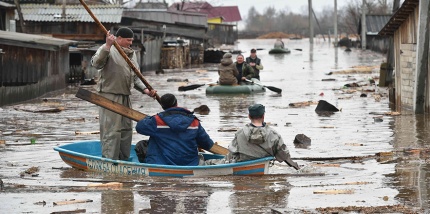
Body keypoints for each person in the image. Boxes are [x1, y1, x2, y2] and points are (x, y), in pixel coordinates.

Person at [91, 27, 157, 160]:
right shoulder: (108, 49)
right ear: (119, 38)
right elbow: (96, 63)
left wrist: (145, 90)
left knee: (126, 130)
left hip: (125, 95)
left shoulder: (132, 54)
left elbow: (136, 77)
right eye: (128, 40)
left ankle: (123, 160)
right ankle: (109, 159)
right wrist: (108, 45)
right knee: (112, 131)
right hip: (109, 95)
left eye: (131, 40)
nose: (130, 43)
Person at [207, 104, 299, 169]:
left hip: (242, 166)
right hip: (263, 165)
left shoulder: (240, 134)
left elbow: (232, 154)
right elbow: (284, 156)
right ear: (263, 116)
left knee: (209, 163)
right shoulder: (274, 135)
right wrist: (297, 168)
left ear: (249, 116)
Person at [135, 93, 215, 166]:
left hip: (161, 163)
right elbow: (208, 144)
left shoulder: (156, 121)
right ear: (176, 104)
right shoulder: (194, 122)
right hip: (189, 164)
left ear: (163, 107)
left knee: (141, 145)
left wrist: (151, 117)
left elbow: (139, 127)